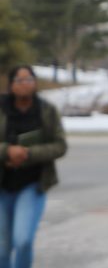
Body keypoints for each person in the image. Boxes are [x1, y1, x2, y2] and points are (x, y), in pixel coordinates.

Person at [0, 65, 67, 268]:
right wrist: (6, 151)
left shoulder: (46, 111)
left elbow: (60, 145)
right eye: (19, 80)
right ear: (11, 85)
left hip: (32, 184)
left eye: (29, 79)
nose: (25, 84)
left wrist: (28, 154)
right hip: (2, 185)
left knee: (23, 241)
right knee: (2, 247)